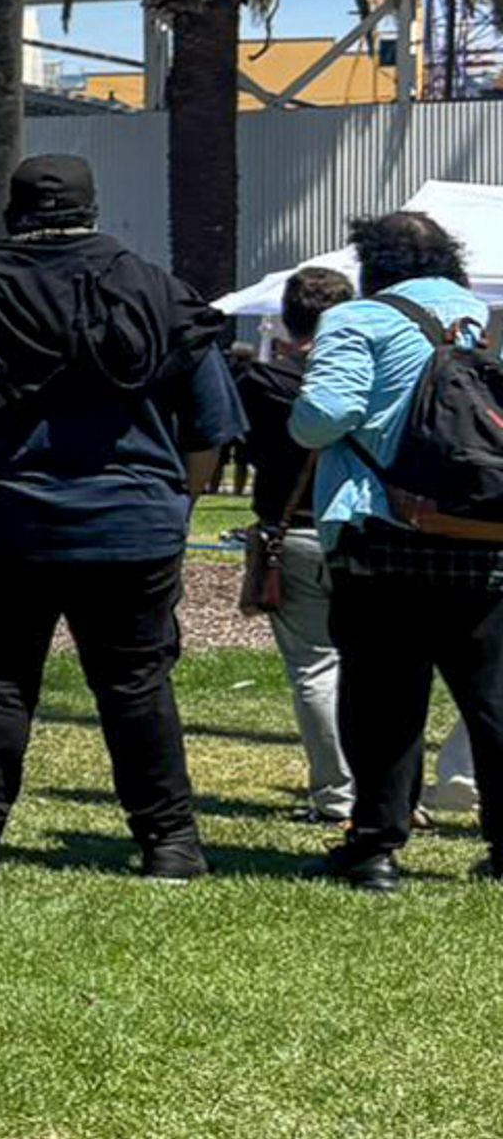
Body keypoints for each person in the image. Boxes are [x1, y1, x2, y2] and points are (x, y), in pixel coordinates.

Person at [0, 154, 235, 880]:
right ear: (93, 208)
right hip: (132, 520)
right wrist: (176, 501)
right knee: (136, 682)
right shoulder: (158, 292)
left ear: (13, 213)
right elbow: (208, 427)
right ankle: (170, 843)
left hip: (0, 520)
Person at [288, 207, 503, 892]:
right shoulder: (491, 322)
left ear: (372, 264)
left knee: (384, 697)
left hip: (380, 535)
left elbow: (321, 419)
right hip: (483, 536)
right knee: (492, 698)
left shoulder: (359, 319)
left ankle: (375, 844)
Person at [235, 265, 365, 824]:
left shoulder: (263, 386)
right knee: (373, 667)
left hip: (293, 530)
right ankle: (385, 791)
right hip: (364, 530)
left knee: (314, 669)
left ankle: (338, 794)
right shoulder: (372, 382)